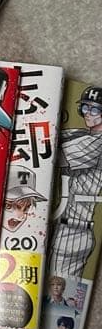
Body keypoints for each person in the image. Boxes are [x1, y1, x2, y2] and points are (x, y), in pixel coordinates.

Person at [48, 86, 102, 280]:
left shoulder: (97, 142)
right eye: (85, 107)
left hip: (73, 231)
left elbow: (53, 156)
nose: (88, 113)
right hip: (63, 226)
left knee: (55, 292)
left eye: (95, 109)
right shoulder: (83, 134)